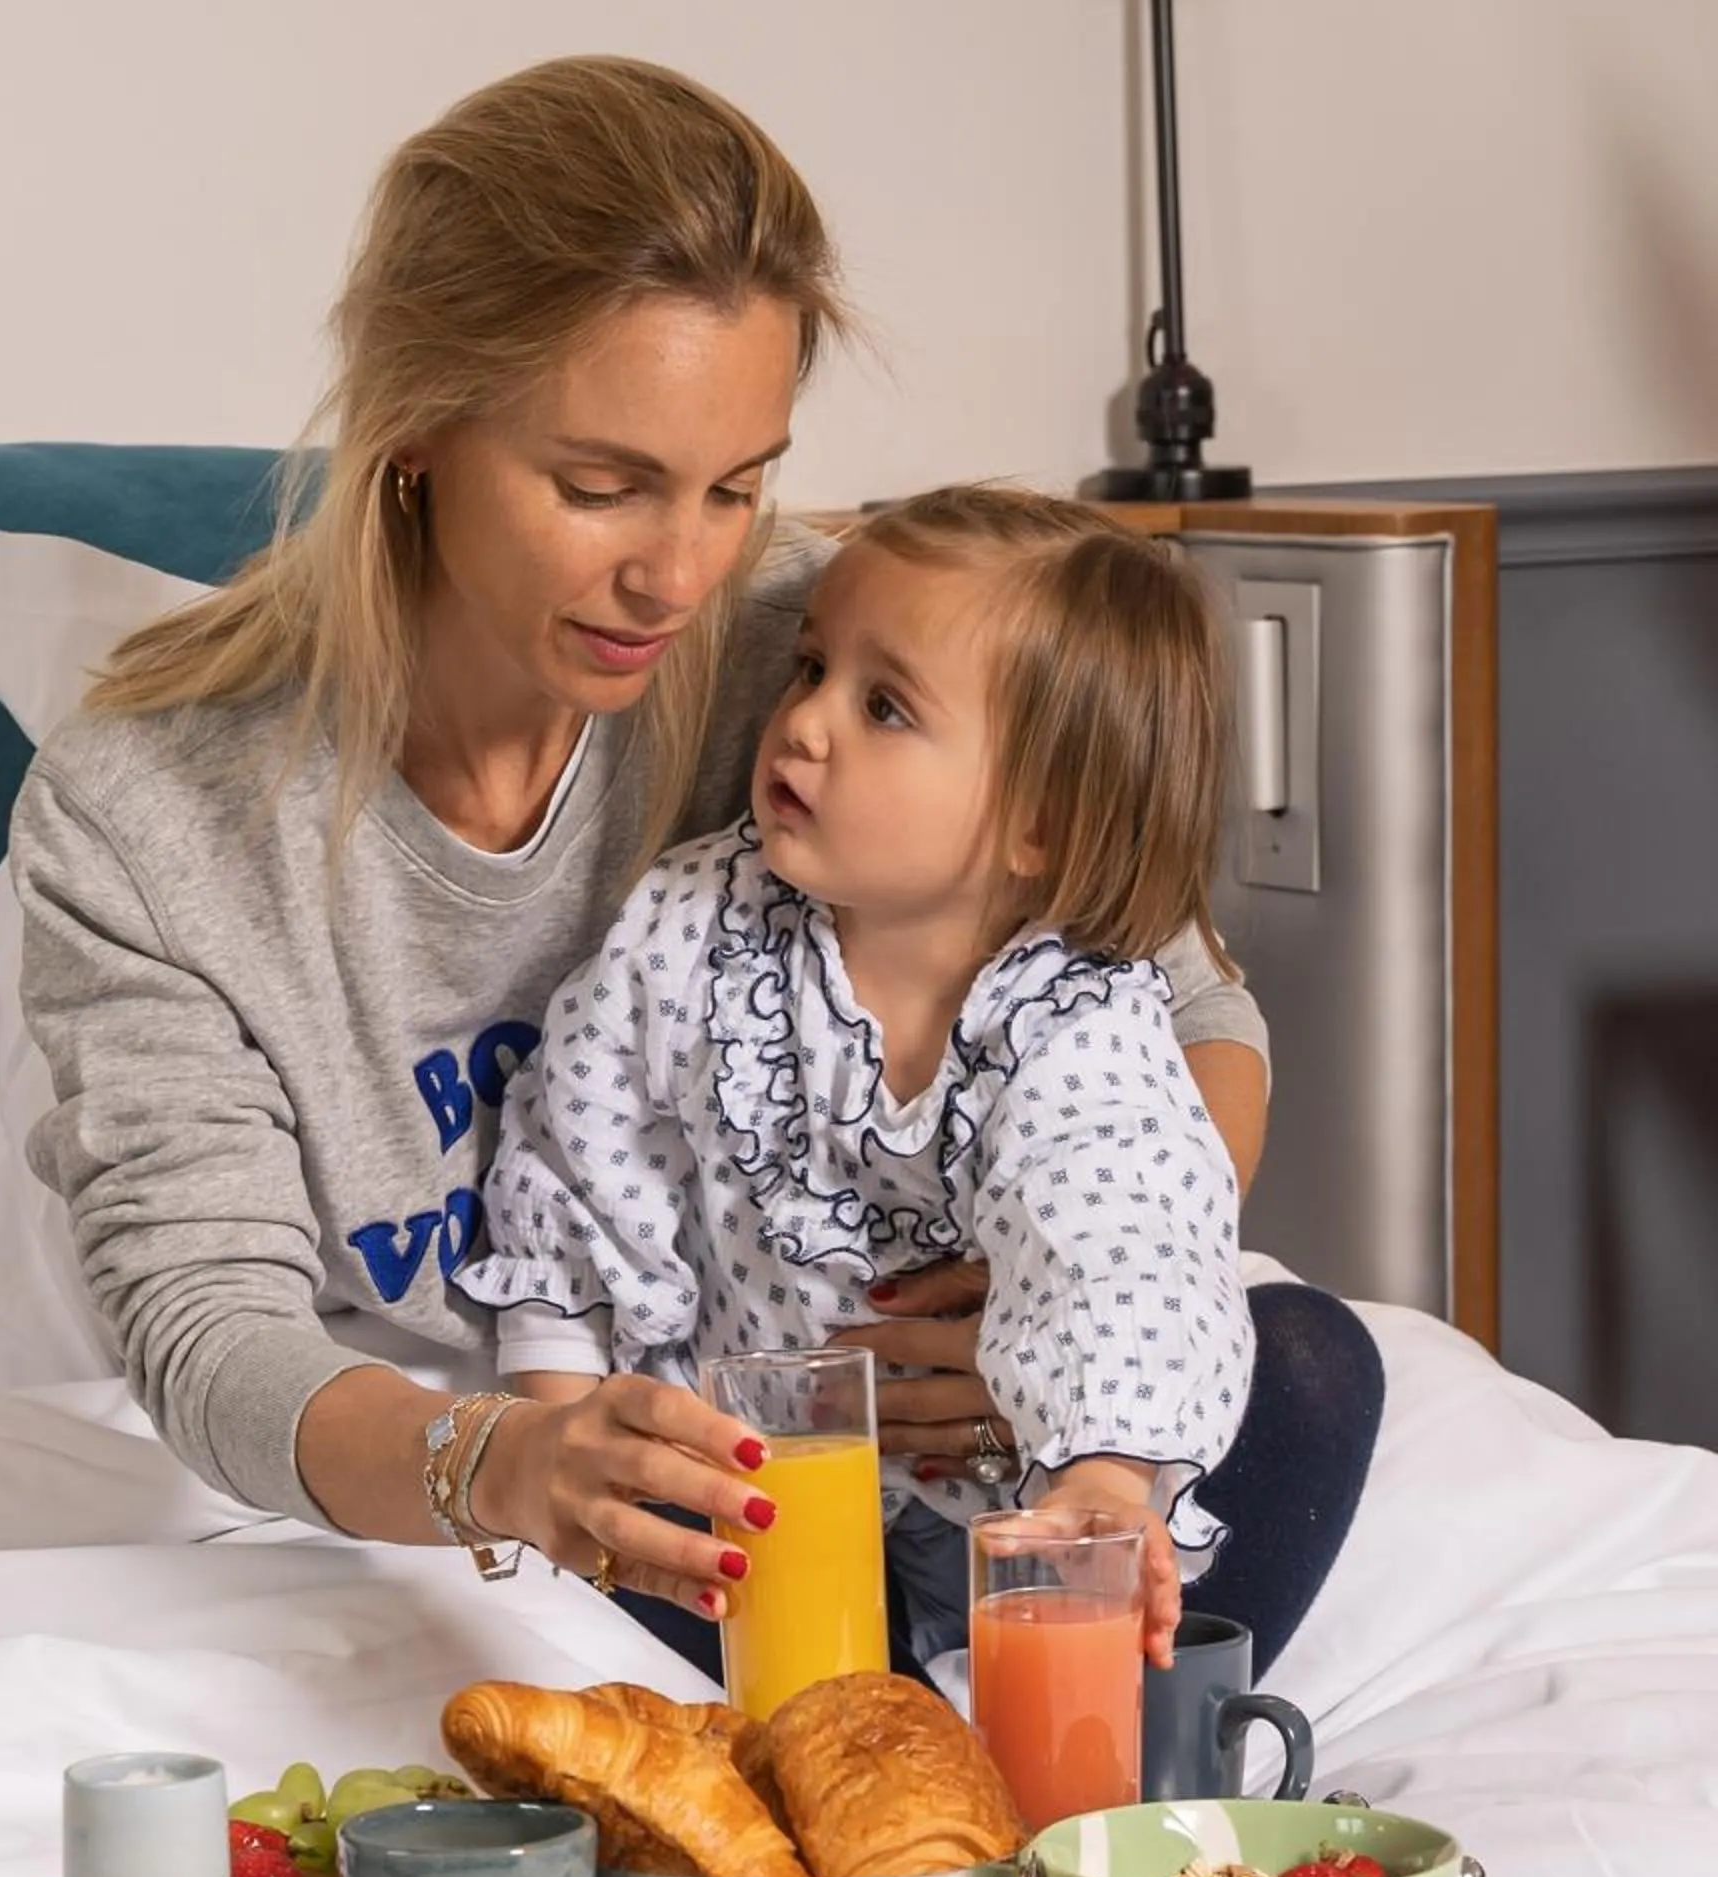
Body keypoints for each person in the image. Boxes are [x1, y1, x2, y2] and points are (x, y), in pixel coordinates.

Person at [11, 55, 1378, 1679]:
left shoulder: (826, 653)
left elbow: (1179, 988)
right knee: (567, 1608)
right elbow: (208, 1332)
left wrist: (1051, 1285)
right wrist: (507, 1464)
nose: (677, 573)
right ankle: (876, 1764)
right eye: (603, 487)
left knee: (1296, 1366)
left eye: (737, 487)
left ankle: (1014, 1774)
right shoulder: (148, 816)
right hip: (546, 1498)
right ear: (418, 429)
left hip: (931, 1435)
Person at [465, 484, 1258, 1674]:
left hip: (988, 1487)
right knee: (704, 1640)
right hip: (742, 1477)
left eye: (884, 705)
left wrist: (1102, 1481)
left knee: (1266, 1413)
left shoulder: (1079, 1011)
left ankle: (1061, 1714)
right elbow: (580, 1164)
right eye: (809, 668)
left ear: (1037, 823)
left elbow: (1126, 1238)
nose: (804, 723)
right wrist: (557, 1419)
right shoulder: (692, 924)